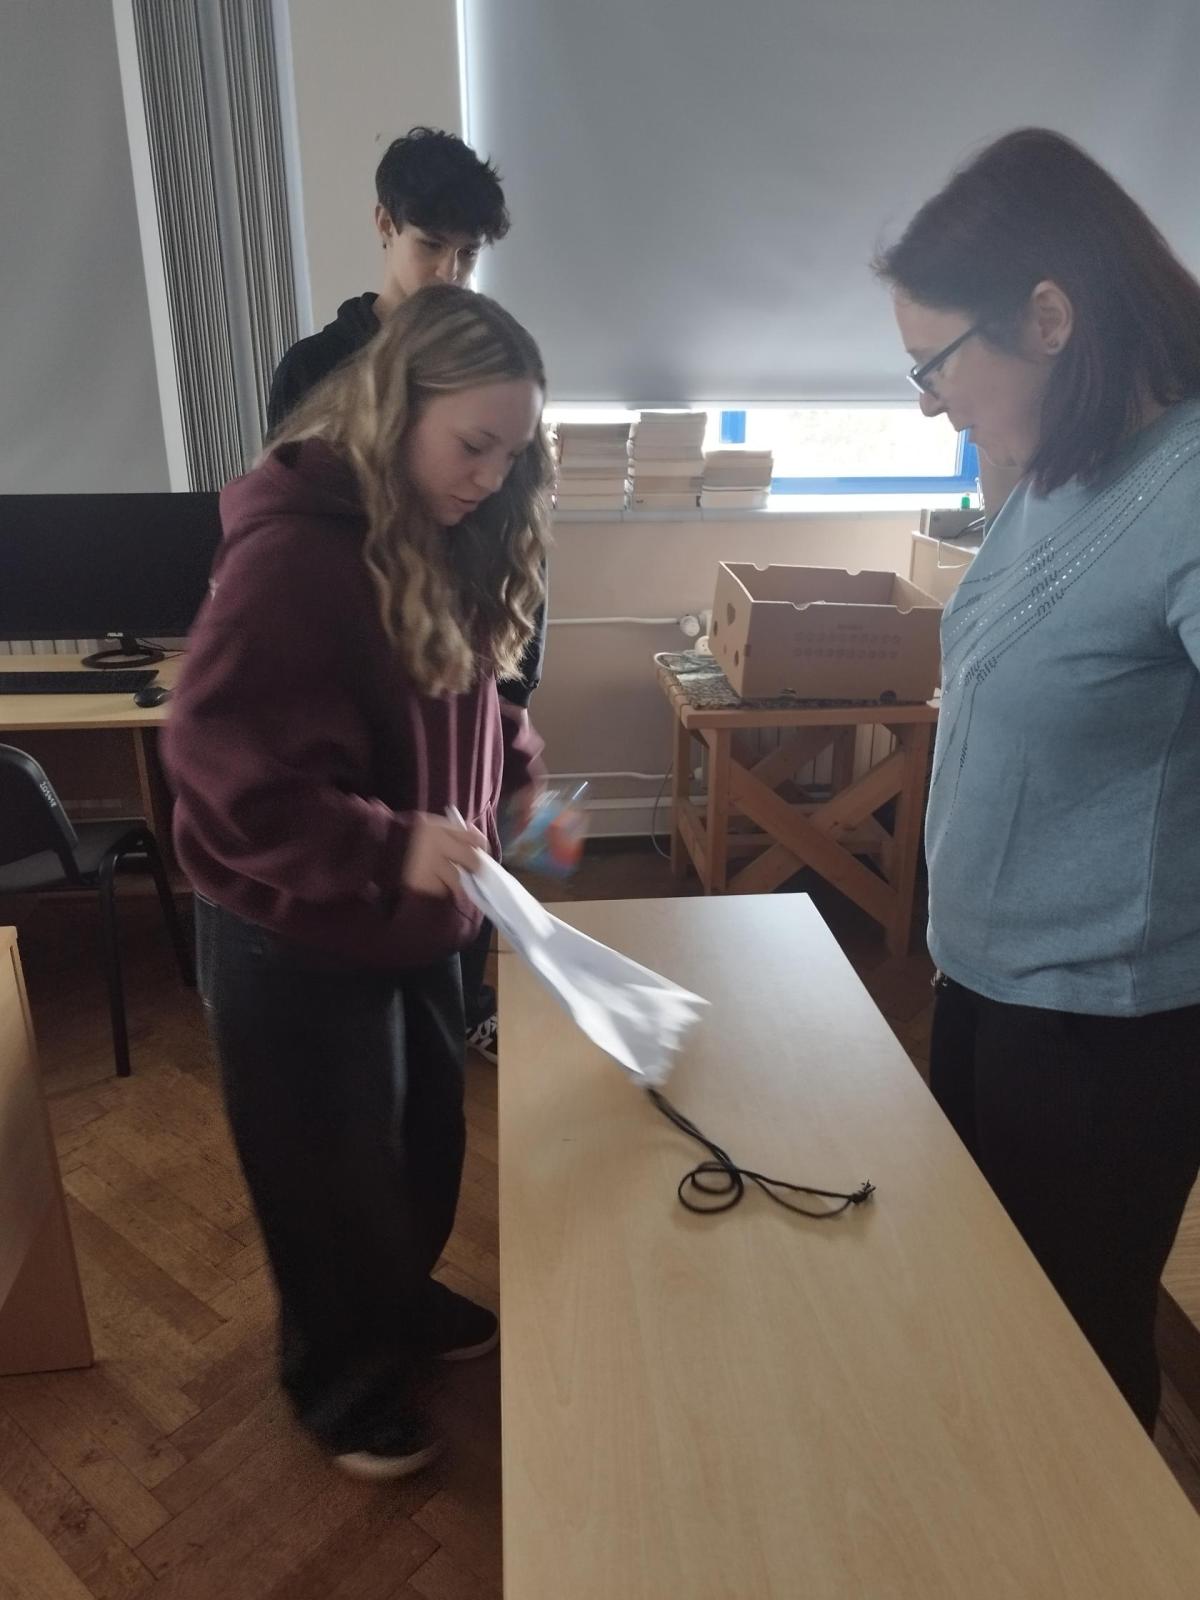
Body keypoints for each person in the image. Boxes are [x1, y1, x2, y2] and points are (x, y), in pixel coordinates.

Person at [164, 284, 552, 1478]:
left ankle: (399, 1299)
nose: (491, 475)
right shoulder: (292, 553)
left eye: (513, 452)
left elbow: (472, 695)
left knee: (421, 1139)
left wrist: (519, 780)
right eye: (473, 443)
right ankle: (337, 1383)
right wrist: (387, 844)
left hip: (417, 914)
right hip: (296, 923)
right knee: (325, 1169)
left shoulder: (443, 525)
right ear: (399, 407)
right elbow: (220, 764)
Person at [875, 127, 1200, 1433]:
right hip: (995, 991)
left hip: (1104, 1035)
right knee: (992, 1316)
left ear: (1051, 319)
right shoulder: (1065, 469)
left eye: (937, 364)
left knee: (1069, 1362)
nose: (929, 402)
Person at [268, 125, 540, 1066]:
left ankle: (461, 1008)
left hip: (461, 668)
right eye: (432, 247)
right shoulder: (318, 368)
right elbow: (303, 539)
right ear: (384, 225)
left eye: (468, 256)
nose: (449, 273)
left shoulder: (488, 367)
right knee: (389, 868)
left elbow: (514, 534)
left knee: (466, 858)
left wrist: (512, 690)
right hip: (369, 676)